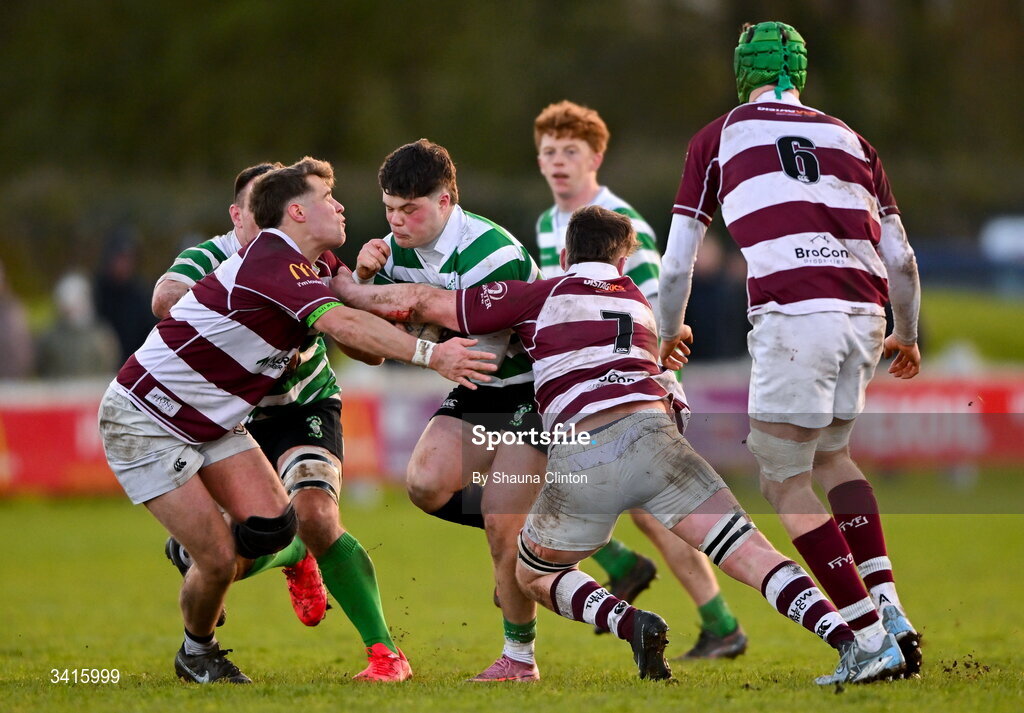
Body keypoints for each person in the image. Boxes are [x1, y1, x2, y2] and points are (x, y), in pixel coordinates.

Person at [333, 205, 907, 684]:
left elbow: (422, 304)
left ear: (564, 255)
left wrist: (347, 289)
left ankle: (626, 619)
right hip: (660, 439)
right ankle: (859, 642)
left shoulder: (539, 293)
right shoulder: (640, 306)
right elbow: (655, 367)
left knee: (532, 572)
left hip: (587, 448)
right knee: (751, 554)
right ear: (622, 259)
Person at [98, 157, 496, 684]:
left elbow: (359, 308)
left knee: (278, 524)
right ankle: (198, 651)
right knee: (217, 558)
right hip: (147, 417)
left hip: (222, 419)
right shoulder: (271, 262)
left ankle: (252, 559)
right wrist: (432, 354)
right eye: (327, 198)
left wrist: (422, 298)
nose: (340, 205)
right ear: (295, 212)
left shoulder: (314, 260)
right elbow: (345, 321)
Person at [657, 21, 923, 677]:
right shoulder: (853, 140)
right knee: (834, 456)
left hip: (792, 313)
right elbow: (905, 262)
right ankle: (889, 608)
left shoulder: (717, 137)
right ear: (799, 74)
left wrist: (668, 330)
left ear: (742, 72)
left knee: (783, 477)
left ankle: (867, 638)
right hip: (863, 312)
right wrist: (907, 332)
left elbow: (674, 266)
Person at [151, 162, 415, 681]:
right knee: (233, 549)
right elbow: (164, 298)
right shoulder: (212, 255)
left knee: (316, 515)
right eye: (258, 209)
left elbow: (366, 352)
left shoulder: (315, 259)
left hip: (305, 406)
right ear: (238, 215)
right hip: (236, 419)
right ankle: (287, 556)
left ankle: (387, 655)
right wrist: (254, 335)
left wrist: (360, 295)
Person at [533, 100, 747, 659]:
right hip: (583, 390)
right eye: (549, 152)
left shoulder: (622, 226)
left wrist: (656, 382)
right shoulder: (545, 224)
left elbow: (650, 311)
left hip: (630, 387)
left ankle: (709, 615)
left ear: (595, 157)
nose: (558, 163)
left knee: (655, 509)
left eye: (570, 152)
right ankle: (699, 610)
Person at [354, 138, 551, 681]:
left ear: (446, 201)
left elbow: (476, 359)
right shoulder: (390, 255)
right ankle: (532, 535)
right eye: (390, 209)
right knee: (424, 483)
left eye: (410, 210)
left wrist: (397, 319)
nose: (397, 222)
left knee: (500, 527)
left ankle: (520, 660)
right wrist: (367, 284)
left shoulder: (492, 251)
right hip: (480, 387)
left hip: (530, 390)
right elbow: (368, 347)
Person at [36, 271, 120, 378]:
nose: (72, 309)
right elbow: (43, 369)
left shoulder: (102, 337)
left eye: (77, 300)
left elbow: (109, 366)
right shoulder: (49, 338)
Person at [93, 227, 157, 363]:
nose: (123, 265)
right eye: (119, 258)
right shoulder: (95, 292)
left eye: (128, 259)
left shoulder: (142, 296)